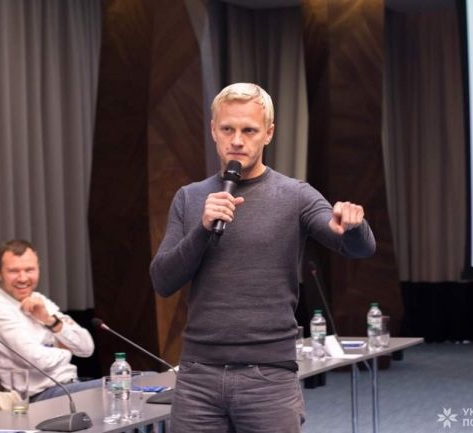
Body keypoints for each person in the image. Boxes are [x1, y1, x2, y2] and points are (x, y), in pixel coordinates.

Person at [149, 82, 376, 433]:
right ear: (213, 131)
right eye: (228, 129)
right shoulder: (190, 198)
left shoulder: (295, 195)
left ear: (268, 133)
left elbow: (360, 248)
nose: (237, 140)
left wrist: (354, 226)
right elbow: (163, 281)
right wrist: (203, 229)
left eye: (249, 130)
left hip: (268, 377)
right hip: (197, 377)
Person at [0, 239, 100, 402]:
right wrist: (67, 349)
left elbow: (86, 347)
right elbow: (37, 360)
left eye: (29, 270)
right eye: (14, 271)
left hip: (69, 386)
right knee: (124, 386)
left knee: (130, 385)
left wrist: (50, 321)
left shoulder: (38, 299)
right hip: (37, 397)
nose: (23, 278)